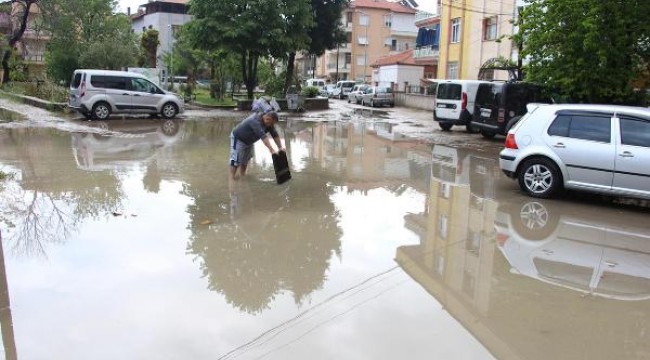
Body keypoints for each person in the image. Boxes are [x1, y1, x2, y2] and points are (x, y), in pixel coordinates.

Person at [229, 111, 284, 180]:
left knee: (245, 159)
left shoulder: (269, 123)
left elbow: (275, 135)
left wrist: (280, 147)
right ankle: (231, 178)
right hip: (238, 138)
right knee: (236, 159)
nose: (271, 125)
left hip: (249, 141)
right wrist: (272, 150)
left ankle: (242, 175)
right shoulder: (254, 121)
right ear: (267, 118)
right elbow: (263, 137)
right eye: (271, 123)